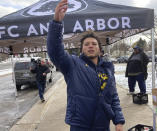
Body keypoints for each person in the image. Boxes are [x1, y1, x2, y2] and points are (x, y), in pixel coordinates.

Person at [47, 0, 125, 131]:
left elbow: (113, 96)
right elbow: (55, 51)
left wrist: (119, 120)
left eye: (94, 44)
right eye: (86, 44)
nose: (90, 46)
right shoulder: (73, 64)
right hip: (80, 124)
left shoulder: (107, 69)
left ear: (100, 49)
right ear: (81, 49)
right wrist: (56, 23)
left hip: (103, 124)